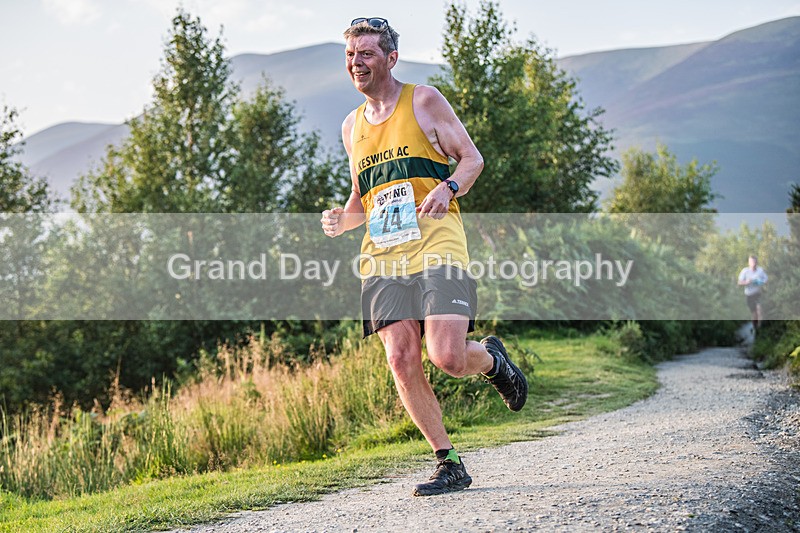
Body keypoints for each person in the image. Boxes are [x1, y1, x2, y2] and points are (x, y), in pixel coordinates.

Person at [320, 17, 528, 496]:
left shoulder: (424, 100)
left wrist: (448, 187)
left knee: (447, 356)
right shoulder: (351, 126)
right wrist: (342, 219)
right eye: (351, 55)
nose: (356, 63)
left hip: (437, 244)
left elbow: (472, 160)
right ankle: (448, 461)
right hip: (383, 256)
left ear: (391, 59)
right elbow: (363, 197)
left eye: (367, 53)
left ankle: (493, 362)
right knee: (400, 358)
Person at [737, 255, 767, 331]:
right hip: (749, 295)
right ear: (749, 263)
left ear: (757, 262)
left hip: (758, 293)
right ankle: (754, 328)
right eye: (751, 262)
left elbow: (766, 279)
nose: (753, 263)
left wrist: (761, 282)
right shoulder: (745, 271)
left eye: (754, 261)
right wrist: (747, 282)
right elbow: (739, 282)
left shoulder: (760, 270)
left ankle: (760, 328)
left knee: (759, 310)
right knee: (754, 313)